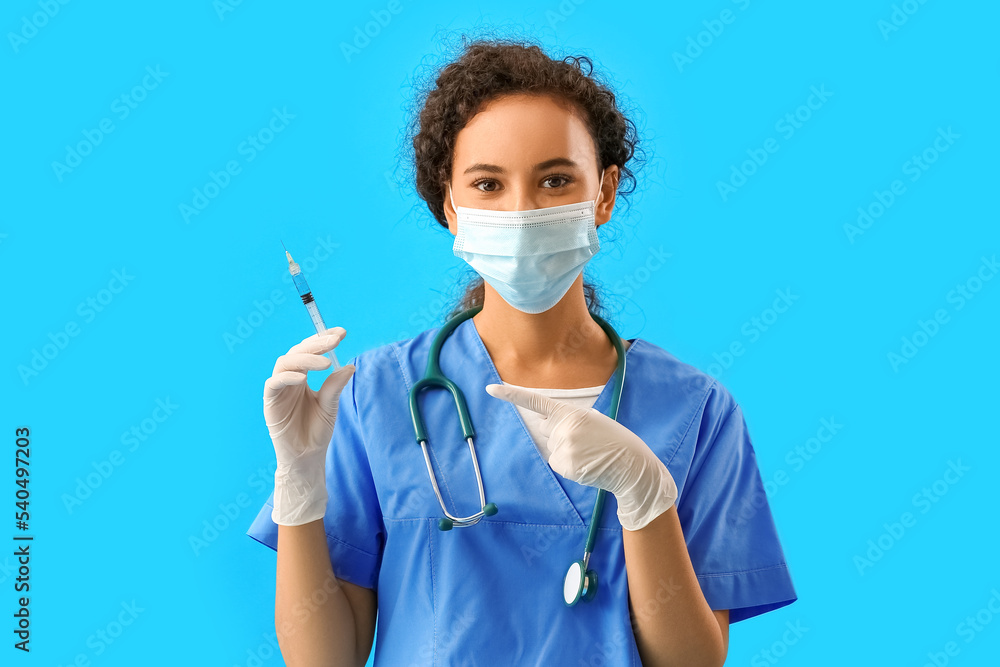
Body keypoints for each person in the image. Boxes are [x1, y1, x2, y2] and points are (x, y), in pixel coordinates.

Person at [247, 37, 797, 666]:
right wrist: (297, 483)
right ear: (449, 206)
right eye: (487, 184)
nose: (522, 211)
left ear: (605, 194)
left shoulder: (694, 411)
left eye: (556, 180)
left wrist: (647, 497)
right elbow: (325, 660)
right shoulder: (373, 396)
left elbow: (692, 662)